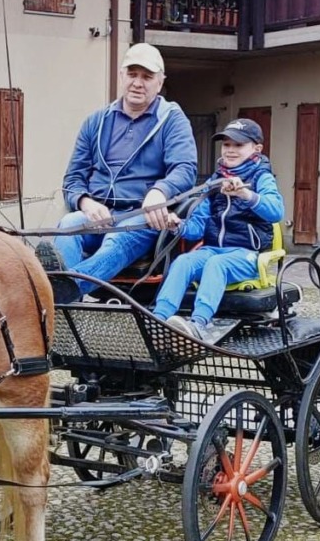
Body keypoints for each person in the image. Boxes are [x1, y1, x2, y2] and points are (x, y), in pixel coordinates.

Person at [35, 43, 197, 303]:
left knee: (116, 239)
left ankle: (61, 290)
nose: (137, 83)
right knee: (67, 226)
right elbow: (73, 179)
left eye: (147, 77)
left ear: (160, 82)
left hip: (141, 216)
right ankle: (67, 307)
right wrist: (86, 203)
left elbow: (185, 169)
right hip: (97, 214)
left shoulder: (173, 121)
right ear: (122, 76)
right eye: (132, 74)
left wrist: (159, 191)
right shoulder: (95, 122)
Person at [151, 117, 285, 343]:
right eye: (226, 144)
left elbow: (276, 211)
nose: (230, 150)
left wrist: (246, 194)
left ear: (257, 149)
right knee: (184, 261)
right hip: (212, 249)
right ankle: (158, 319)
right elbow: (197, 228)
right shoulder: (215, 182)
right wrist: (177, 225)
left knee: (216, 264)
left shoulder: (262, 177)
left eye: (238, 145)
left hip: (247, 255)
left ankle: (199, 324)